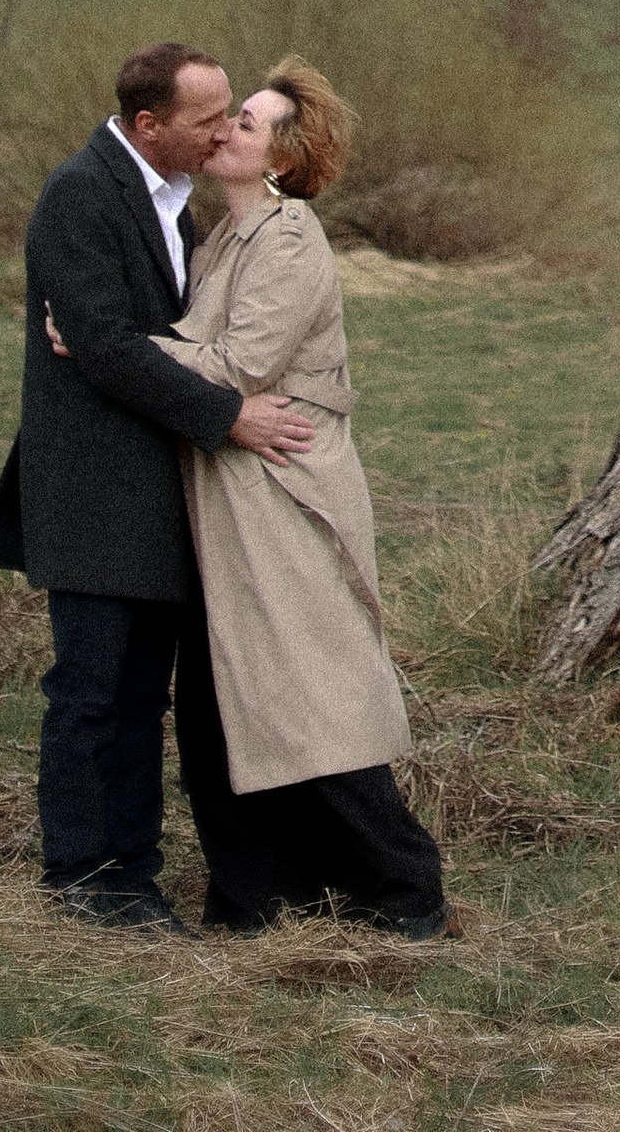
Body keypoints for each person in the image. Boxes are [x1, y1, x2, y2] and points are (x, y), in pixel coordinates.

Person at [0, 42, 316, 934]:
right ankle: (86, 876)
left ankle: (133, 871)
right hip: (91, 490)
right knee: (92, 691)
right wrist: (227, 417)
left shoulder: (176, 207)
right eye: (207, 119)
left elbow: (155, 337)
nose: (220, 133)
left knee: (139, 696)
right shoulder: (81, 195)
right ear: (147, 125)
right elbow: (106, 344)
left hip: (156, 495)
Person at [153, 58, 447, 939]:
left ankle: (405, 891)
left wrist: (108, 348)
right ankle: (254, 899)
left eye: (247, 121)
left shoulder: (289, 240)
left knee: (308, 693)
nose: (225, 129)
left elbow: (241, 367)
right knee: (218, 699)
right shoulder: (221, 238)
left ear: (281, 156)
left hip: (285, 494)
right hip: (229, 492)